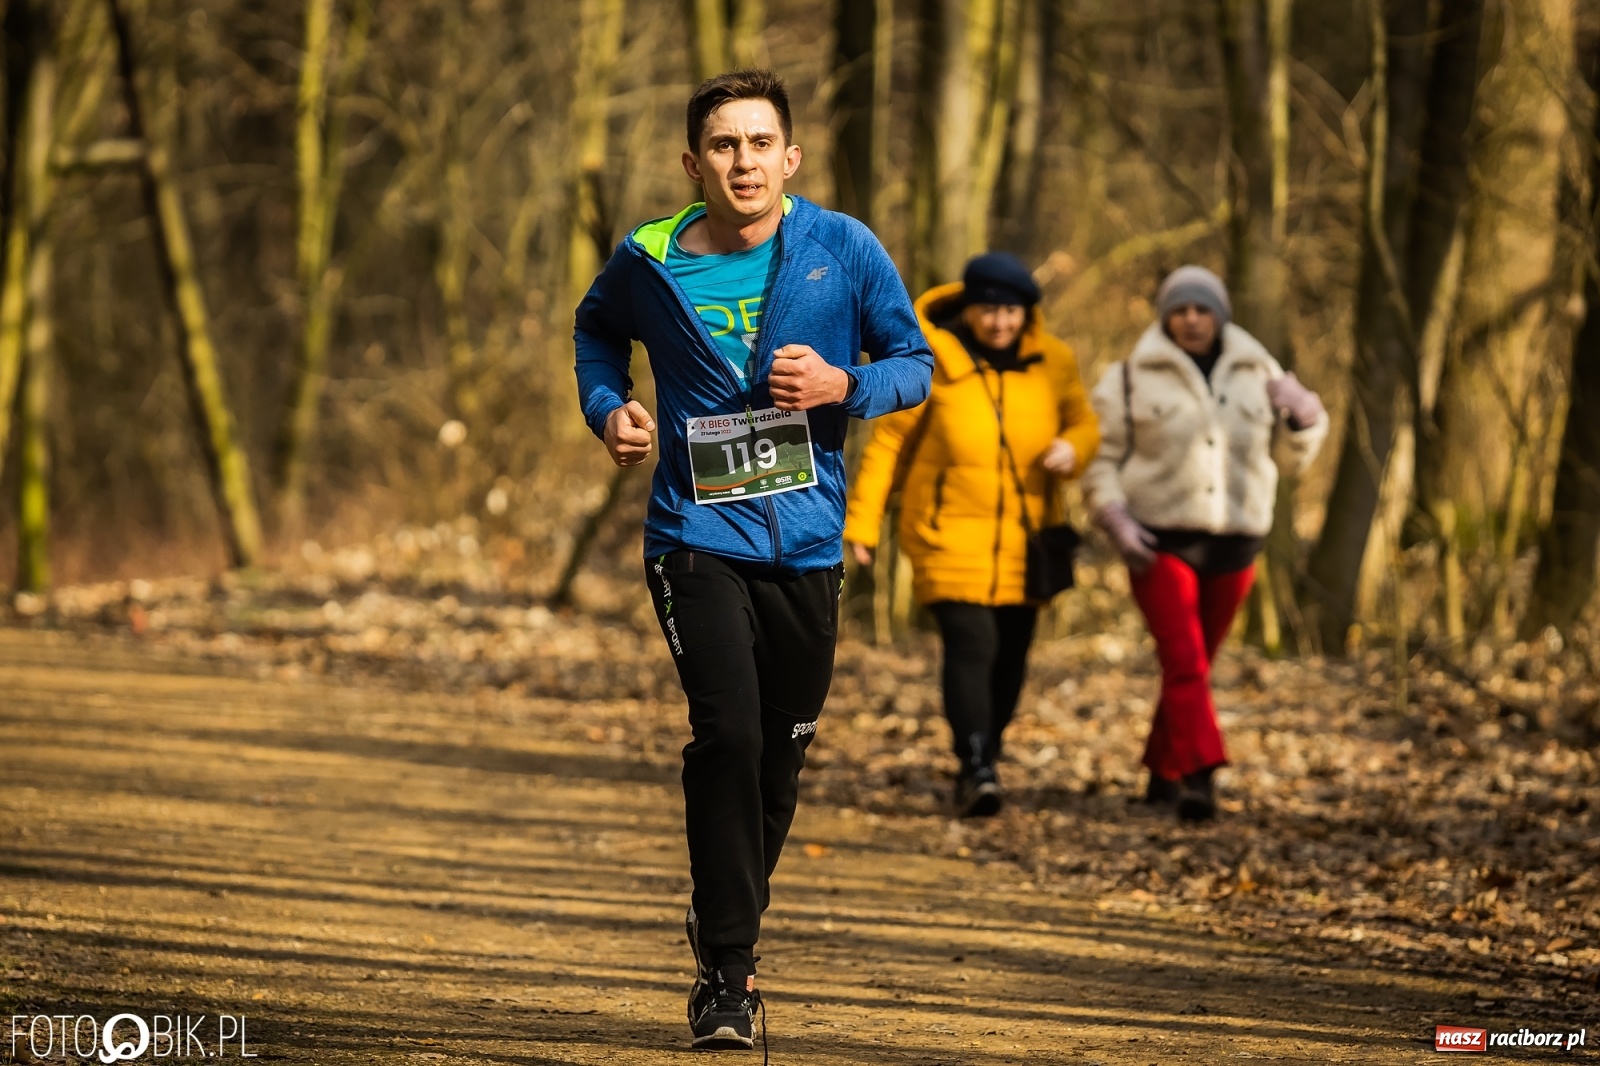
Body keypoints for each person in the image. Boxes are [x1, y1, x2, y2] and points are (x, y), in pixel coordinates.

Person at [573, 70, 933, 1051]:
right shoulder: (647, 262)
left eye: (760, 143)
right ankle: (727, 976)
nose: (743, 161)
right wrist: (610, 408)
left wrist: (841, 381)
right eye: (724, 146)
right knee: (727, 735)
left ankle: (720, 913)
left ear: (790, 157)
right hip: (695, 537)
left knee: (780, 764)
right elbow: (596, 333)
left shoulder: (842, 250)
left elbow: (915, 365)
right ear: (694, 164)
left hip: (809, 542)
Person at [843, 252, 1100, 817]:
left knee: (1011, 657)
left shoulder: (1053, 361)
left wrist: (1073, 450)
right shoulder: (931, 360)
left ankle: (988, 753)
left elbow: (1084, 422)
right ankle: (974, 761)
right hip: (946, 537)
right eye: (989, 310)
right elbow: (889, 445)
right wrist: (861, 523)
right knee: (972, 646)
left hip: (1027, 540)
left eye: (1011, 312)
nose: (1000, 323)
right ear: (969, 309)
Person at [1081, 265, 1327, 822]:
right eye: (1180, 310)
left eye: (1202, 309)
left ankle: (1163, 770)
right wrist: (1114, 518)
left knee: (1191, 668)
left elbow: (1290, 462)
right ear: (1166, 316)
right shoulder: (1128, 376)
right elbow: (1101, 462)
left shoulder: (1259, 370)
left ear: (1220, 314)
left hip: (1237, 546)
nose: (1192, 320)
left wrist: (1305, 421)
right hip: (1157, 541)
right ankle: (1200, 777)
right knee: (1186, 662)